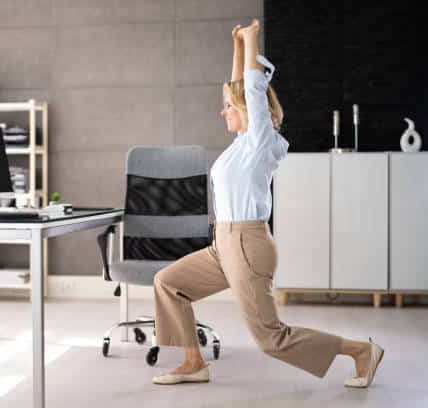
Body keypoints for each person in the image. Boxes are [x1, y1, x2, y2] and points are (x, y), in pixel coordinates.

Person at [151, 19, 384, 388]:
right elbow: (240, 91)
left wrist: (251, 39)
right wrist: (237, 48)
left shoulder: (260, 143)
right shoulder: (240, 145)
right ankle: (193, 362)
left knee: (270, 338)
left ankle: (360, 352)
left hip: (247, 246)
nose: (221, 111)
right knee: (168, 283)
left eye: (228, 106)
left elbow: (251, 93)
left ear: (245, 109)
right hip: (223, 245)